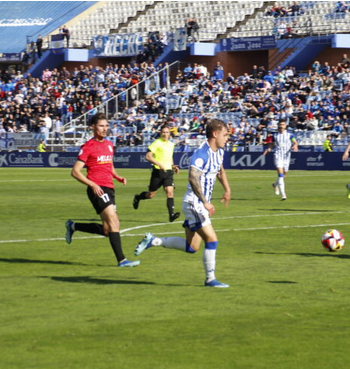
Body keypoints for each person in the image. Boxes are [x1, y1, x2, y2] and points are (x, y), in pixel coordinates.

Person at [134, 119, 231, 288]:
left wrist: (227, 189)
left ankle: (154, 241)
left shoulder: (219, 152)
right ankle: (210, 279)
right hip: (195, 203)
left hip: (200, 204)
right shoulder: (202, 153)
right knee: (212, 240)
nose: (227, 138)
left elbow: (220, 170)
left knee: (192, 247)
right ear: (215, 134)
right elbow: (193, 178)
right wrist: (206, 202)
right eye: (225, 134)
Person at [64, 113, 139, 268]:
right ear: (93, 127)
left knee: (107, 230)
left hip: (109, 188)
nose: (105, 129)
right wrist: (92, 185)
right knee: (114, 222)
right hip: (97, 189)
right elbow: (75, 171)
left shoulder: (109, 144)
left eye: (106, 126)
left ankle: (73, 226)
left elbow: (108, 163)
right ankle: (122, 260)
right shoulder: (88, 147)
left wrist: (117, 176)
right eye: (101, 126)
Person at [132, 125, 181, 222]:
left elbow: (169, 157)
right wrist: (159, 164)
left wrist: (173, 166)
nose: (165, 134)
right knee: (151, 195)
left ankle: (171, 214)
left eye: (167, 132)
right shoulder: (156, 143)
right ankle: (138, 197)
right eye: (163, 132)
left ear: (169, 133)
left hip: (168, 172)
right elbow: (148, 156)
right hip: (157, 172)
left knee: (169, 191)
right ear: (160, 133)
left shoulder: (171, 144)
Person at [262, 118, 298, 200]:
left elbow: (295, 141)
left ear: (286, 126)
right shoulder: (274, 135)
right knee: (281, 175)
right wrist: (268, 150)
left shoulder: (290, 135)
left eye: (283, 125)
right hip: (278, 155)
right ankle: (283, 195)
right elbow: (271, 145)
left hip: (286, 157)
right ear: (278, 125)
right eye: (280, 125)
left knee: (283, 176)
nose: (281, 126)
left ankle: (275, 184)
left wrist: (295, 145)